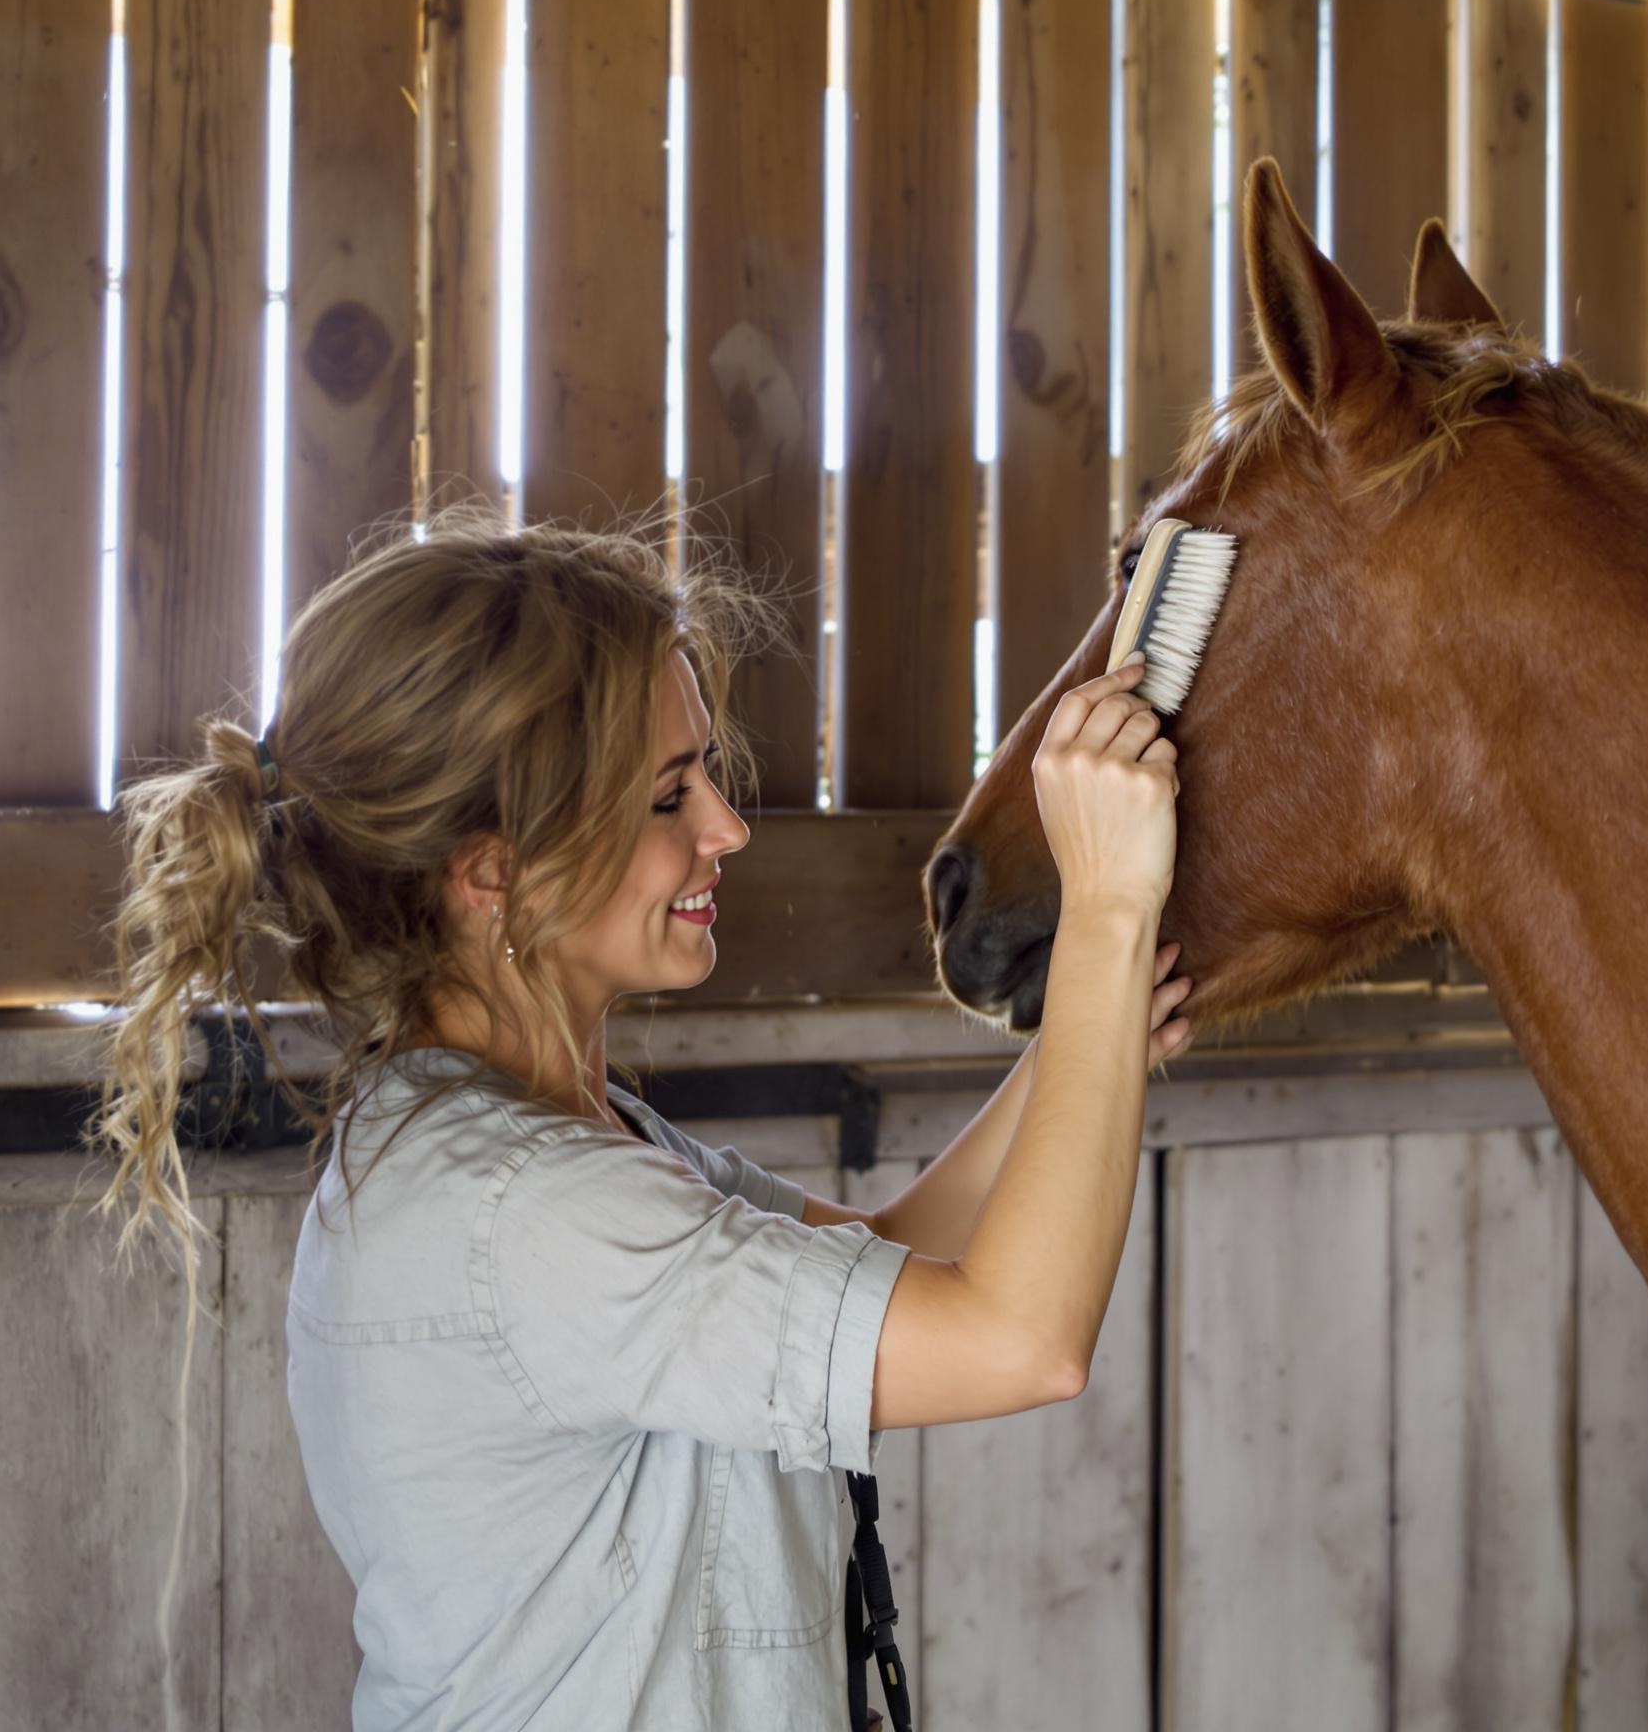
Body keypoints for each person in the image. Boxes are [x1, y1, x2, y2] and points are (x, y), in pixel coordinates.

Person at [85, 507, 1194, 1730]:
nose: (725, 828)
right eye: (670, 796)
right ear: (492, 868)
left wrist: (1089, 1040)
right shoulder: (529, 1213)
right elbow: (1016, 1338)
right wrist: (1101, 910)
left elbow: (892, 1257)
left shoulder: (541, 1139)